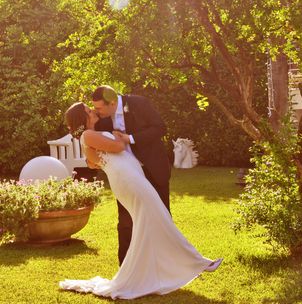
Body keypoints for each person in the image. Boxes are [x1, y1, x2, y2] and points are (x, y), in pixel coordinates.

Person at [59, 102, 222, 299]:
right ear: (82, 118)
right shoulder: (88, 135)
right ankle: (200, 262)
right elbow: (118, 147)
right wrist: (121, 137)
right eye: (88, 110)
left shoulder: (92, 134)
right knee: (159, 217)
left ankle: (151, 273)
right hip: (128, 180)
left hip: (130, 177)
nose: (93, 111)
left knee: (152, 221)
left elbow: (93, 163)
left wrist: (116, 137)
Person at [91, 85, 171, 265]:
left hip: (153, 170)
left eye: (99, 108)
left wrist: (130, 138)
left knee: (162, 217)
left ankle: (165, 265)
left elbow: (160, 128)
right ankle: (126, 268)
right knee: (126, 221)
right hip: (126, 177)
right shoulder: (101, 120)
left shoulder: (139, 103)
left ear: (112, 103)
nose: (96, 112)